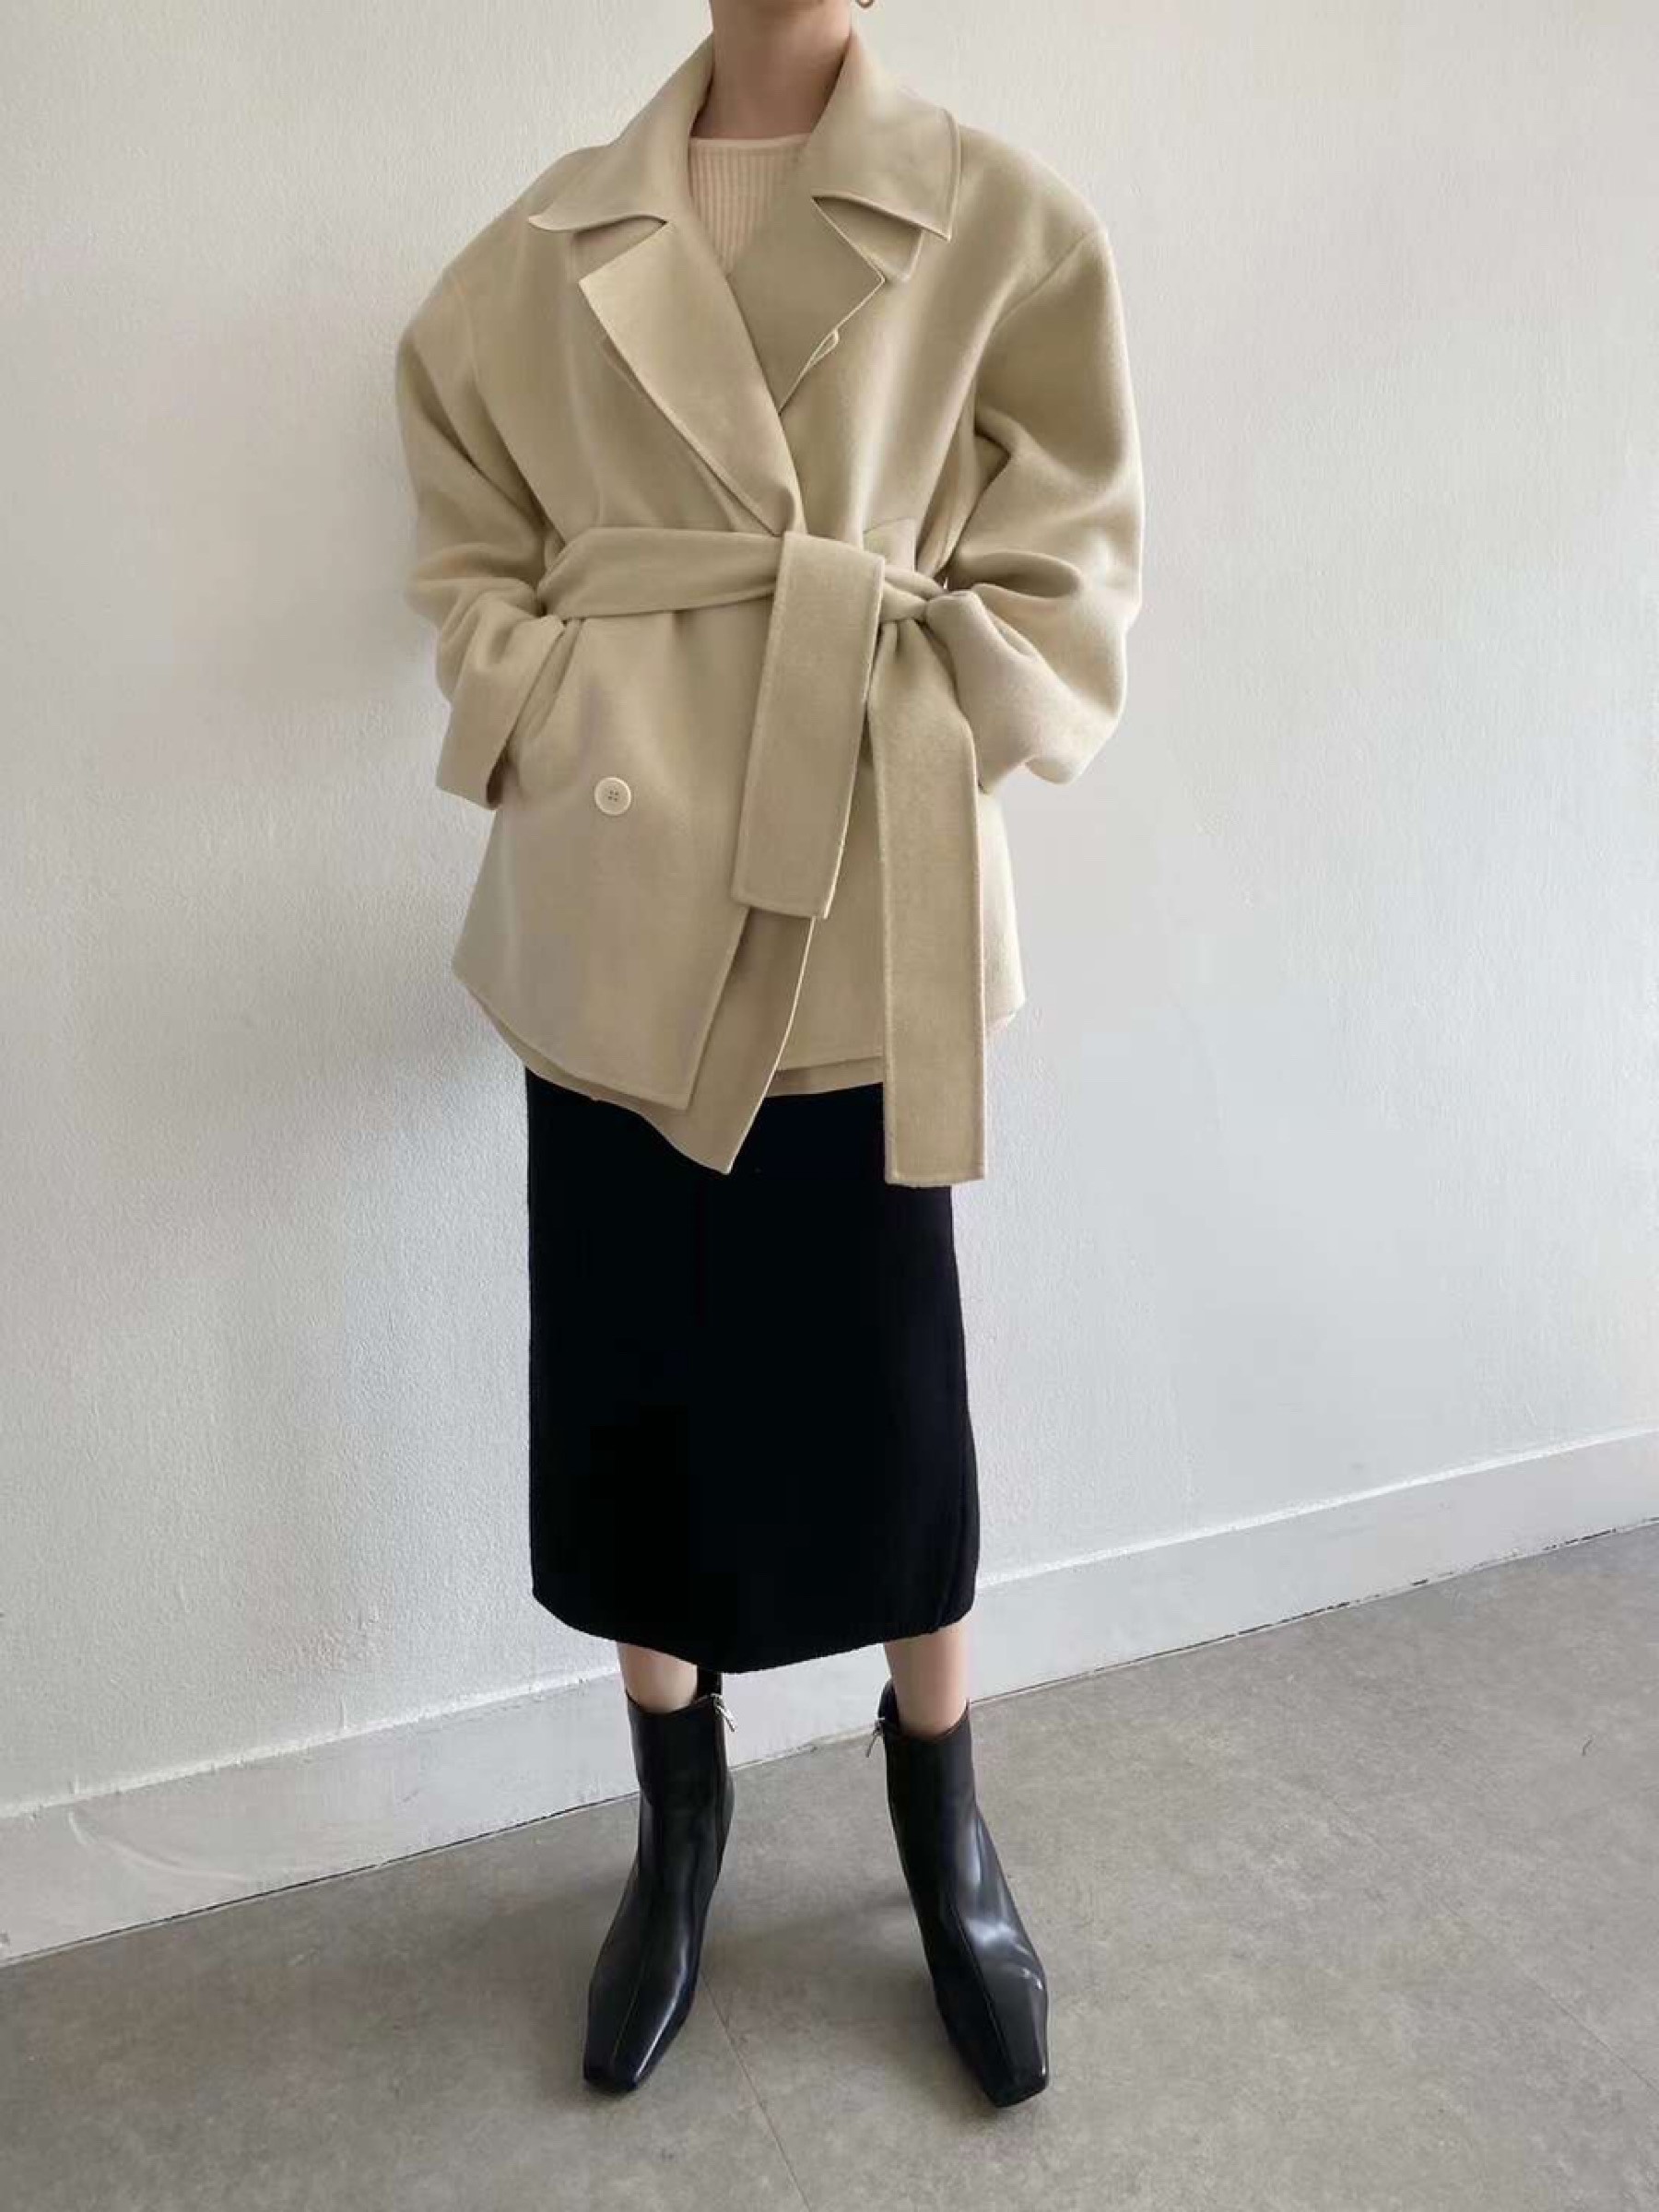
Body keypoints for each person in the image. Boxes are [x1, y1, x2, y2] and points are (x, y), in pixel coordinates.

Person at [393, 0, 1144, 2109]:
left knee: (889, 1380)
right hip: (621, 897)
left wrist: (933, 713)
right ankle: (679, 1812)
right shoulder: (550, 240)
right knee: (634, 1370)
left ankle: (941, 1810)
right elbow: (462, 526)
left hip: (860, 876)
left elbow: (1075, 552)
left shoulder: (1003, 220)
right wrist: (543, 704)